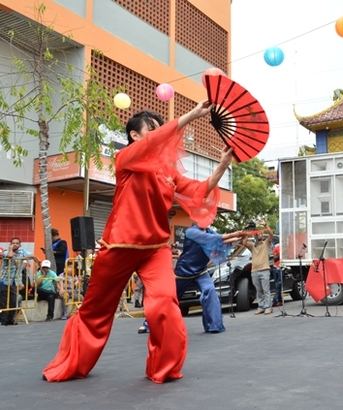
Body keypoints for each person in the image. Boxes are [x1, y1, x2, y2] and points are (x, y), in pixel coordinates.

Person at [43, 101, 234, 384]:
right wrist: (191, 115)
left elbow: (198, 191)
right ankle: (72, 363)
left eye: (160, 128)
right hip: (120, 245)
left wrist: (222, 165)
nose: (159, 133)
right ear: (135, 135)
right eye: (152, 129)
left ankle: (164, 368)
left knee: (165, 306)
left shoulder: (167, 172)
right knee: (96, 311)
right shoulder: (127, 159)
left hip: (155, 248)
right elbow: (158, 141)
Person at [175, 225, 243, 333]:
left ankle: (214, 325)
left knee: (210, 291)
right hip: (183, 272)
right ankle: (149, 324)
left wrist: (240, 237)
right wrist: (236, 234)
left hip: (201, 271)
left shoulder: (209, 231)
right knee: (170, 297)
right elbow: (214, 239)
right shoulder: (191, 232)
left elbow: (221, 241)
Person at [242, 223, 274, 315]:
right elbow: (244, 243)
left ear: (262, 236)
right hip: (254, 271)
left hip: (264, 270)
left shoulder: (266, 243)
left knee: (266, 290)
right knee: (259, 290)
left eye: (260, 234)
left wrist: (266, 227)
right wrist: (247, 233)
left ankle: (268, 307)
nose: (258, 235)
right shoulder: (252, 245)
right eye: (257, 234)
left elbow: (271, 235)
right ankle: (261, 306)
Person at [1, 237, 27, 326]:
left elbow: (28, 257)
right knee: (4, 301)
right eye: (13, 243)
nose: (15, 244)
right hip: (5, 280)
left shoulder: (22, 252)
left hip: (15, 281)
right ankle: (3, 320)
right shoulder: (5, 251)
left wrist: (35, 259)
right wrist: (10, 249)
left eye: (17, 243)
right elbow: (10, 256)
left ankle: (10, 320)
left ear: (20, 245)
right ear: (10, 244)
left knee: (13, 301)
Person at [271, 242, 283, 307]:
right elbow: (274, 258)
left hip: (281, 267)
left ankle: (276, 300)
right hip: (276, 267)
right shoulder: (277, 247)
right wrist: (280, 255)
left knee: (279, 284)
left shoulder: (284, 246)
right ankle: (278, 300)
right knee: (277, 284)